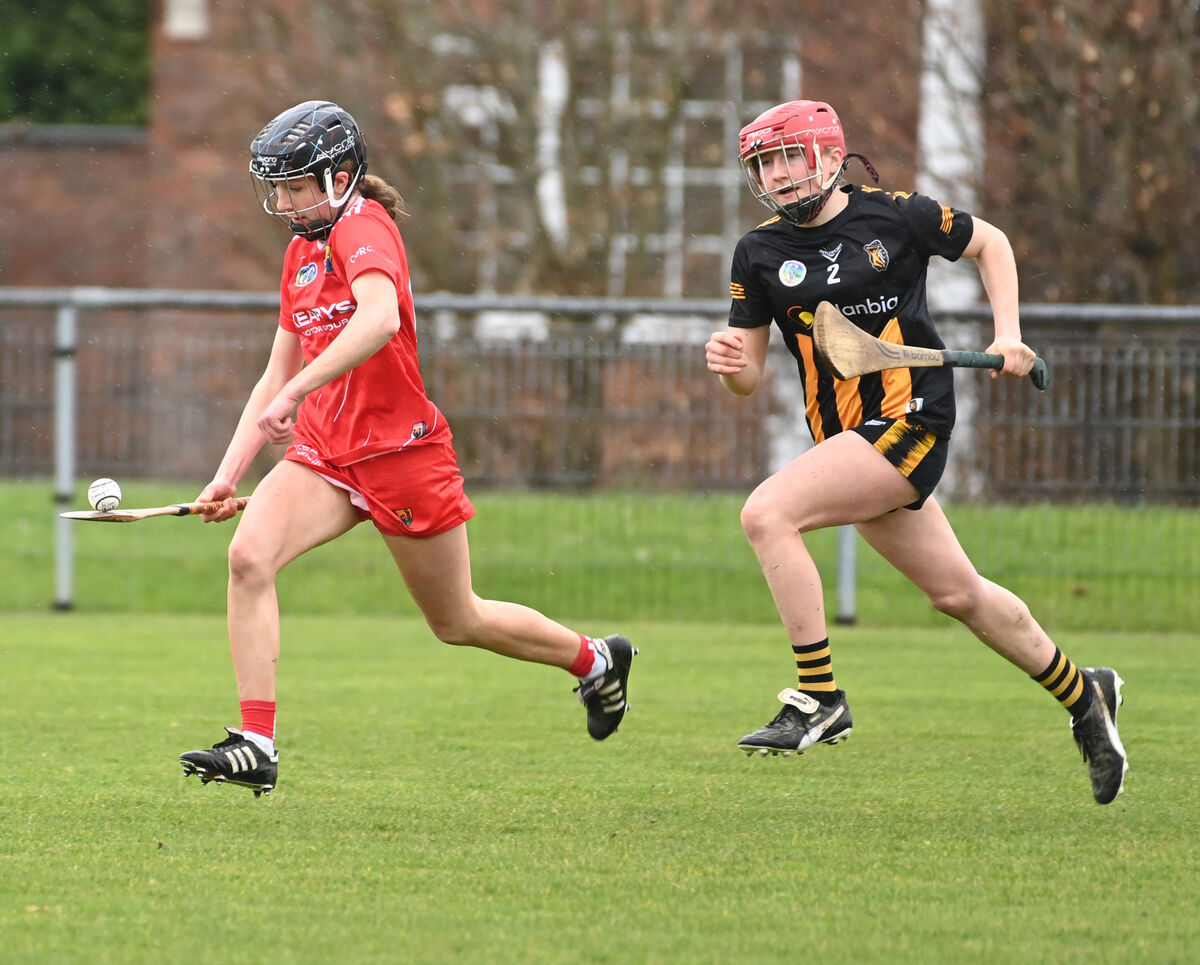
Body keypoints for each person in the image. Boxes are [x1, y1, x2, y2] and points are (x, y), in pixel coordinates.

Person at [179, 100, 635, 797]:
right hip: (326, 452)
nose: (283, 203)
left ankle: (596, 661)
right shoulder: (299, 254)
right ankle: (256, 744)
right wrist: (226, 474)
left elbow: (379, 319)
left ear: (339, 178)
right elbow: (272, 375)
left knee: (457, 620)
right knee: (248, 557)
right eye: (277, 188)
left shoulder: (365, 226)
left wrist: (295, 391)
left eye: (295, 187)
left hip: (401, 453)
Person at [704, 99, 1127, 805]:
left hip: (911, 421)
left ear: (830, 156)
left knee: (767, 513)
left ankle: (820, 698)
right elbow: (746, 376)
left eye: (788, 157)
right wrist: (729, 364)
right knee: (959, 594)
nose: (776, 175)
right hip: (847, 444)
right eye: (764, 164)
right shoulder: (759, 253)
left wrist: (1008, 333)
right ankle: (1087, 694)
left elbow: (992, 243)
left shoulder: (897, 216)